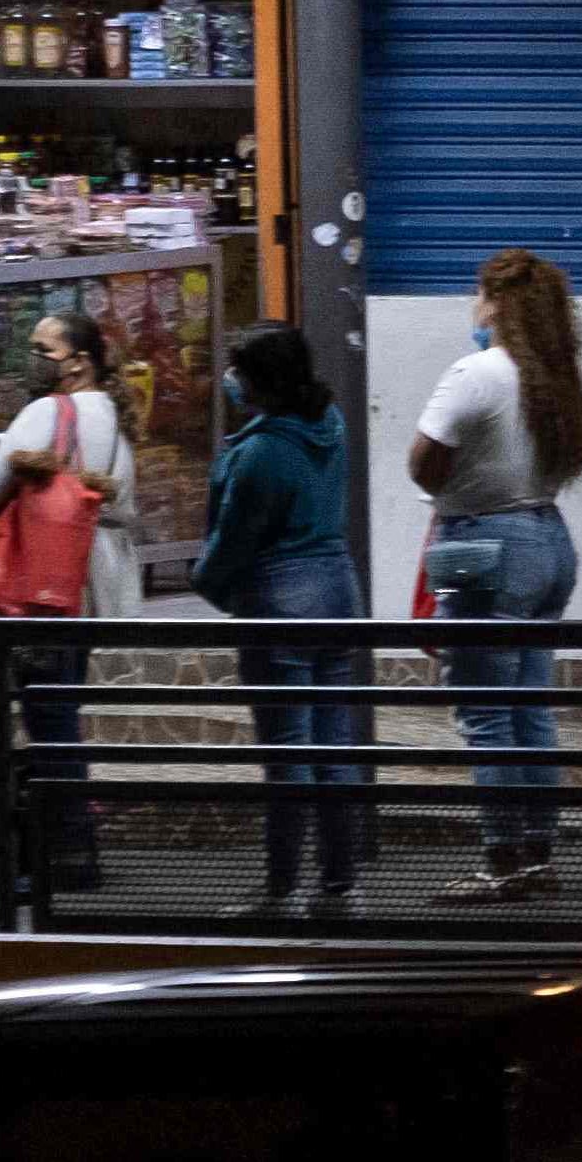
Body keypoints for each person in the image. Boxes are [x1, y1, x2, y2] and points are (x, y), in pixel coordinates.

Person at [408, 249, 582, 905]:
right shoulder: (556, 377)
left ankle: (502, 863)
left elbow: (423, 466)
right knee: (527, 707)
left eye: (479, 295)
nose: (474, 307)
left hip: (482, 542)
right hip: (549, 539)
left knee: (485, 715)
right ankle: (537, 856)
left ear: (498, 302)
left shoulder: (476, 372)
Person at [0, 302, 142, 894]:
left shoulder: (47, 413)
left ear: (78, 363)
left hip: (41, 594)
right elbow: (123, 506)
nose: (34, 360)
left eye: (44, 350)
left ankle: (70, 859)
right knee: (61, 715)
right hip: (86, 588)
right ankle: (70, 850)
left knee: (50, 723)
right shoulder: (112, 416)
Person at [196, 322, 366, 922]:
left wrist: (206, 583)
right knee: (334, 746)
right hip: (339, 594)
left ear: (258, 380)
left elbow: (231, 545)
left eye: (238, 370)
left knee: (287, 751)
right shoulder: (332, 425)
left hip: (280, 602)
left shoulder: (258, 454)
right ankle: (342, 881)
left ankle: (281, 886)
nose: (230, 380)